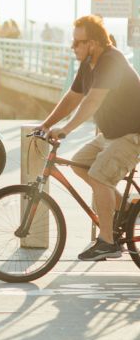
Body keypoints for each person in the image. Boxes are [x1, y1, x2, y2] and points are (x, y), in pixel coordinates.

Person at [38, 14, 140, 261]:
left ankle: (108, 243)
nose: (72, 47)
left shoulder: (111, 60)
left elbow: (92, 101)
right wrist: (46, 124)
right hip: (110, 134)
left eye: (77, 43)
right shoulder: (88, 64)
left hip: (131, 135)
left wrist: (66, 129)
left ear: (92, 43)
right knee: (79, 163)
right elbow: (72, 98)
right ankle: (126, 210)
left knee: (99, 176)